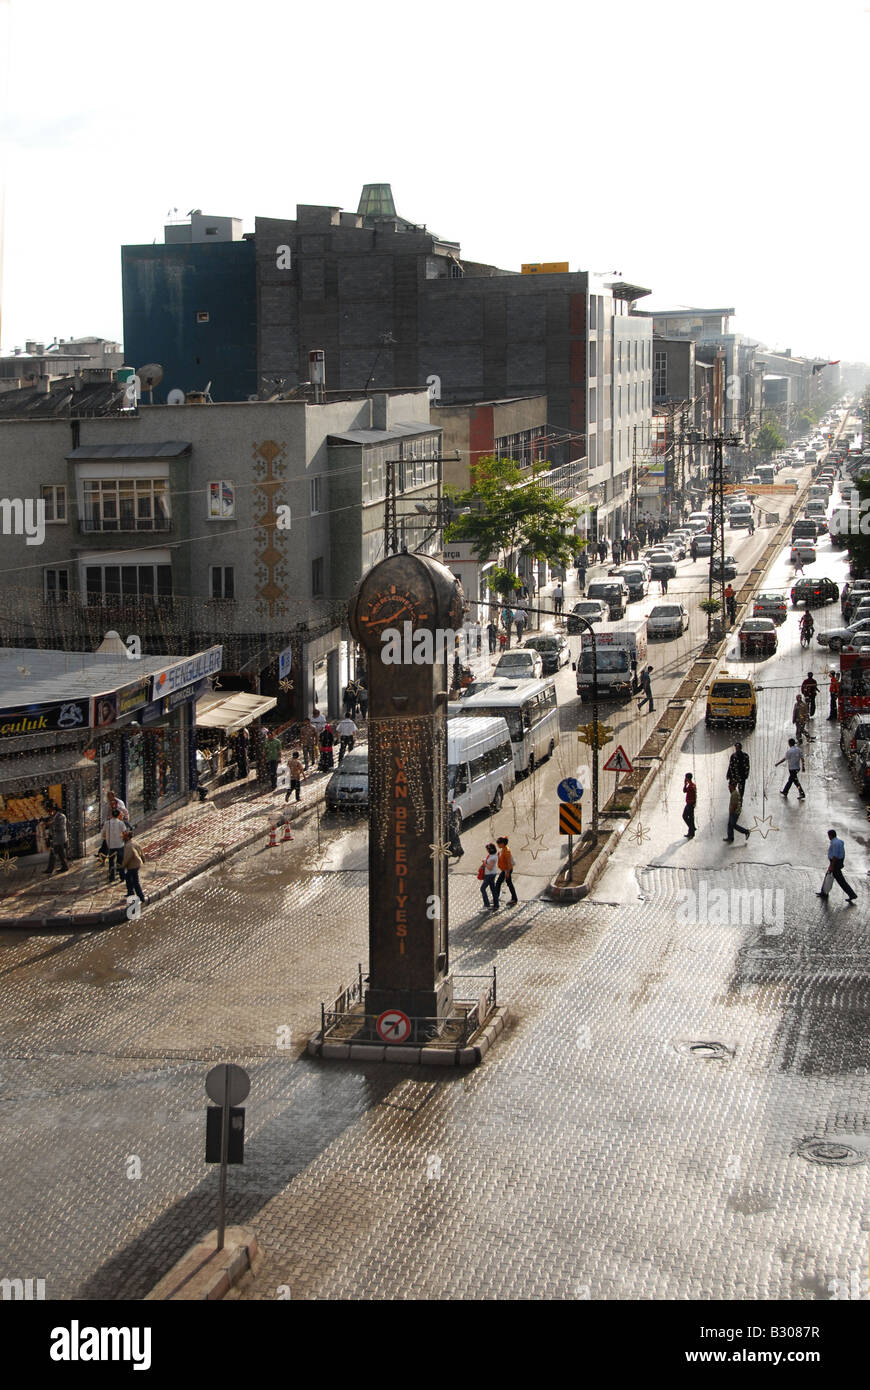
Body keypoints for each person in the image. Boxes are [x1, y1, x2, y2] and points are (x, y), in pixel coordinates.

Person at [817, 828, 857, 903]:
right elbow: (842, 853)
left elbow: (835, 856)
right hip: (837, 862)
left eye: (828, 835)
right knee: (827, 876)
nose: (828, 837)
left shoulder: (835, 843)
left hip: (835, 863)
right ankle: (824, 892)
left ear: (831, 836)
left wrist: (832, 865)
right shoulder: (839, 841)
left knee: (841, 881)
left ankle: (852, 894)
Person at [121, 829, 146, 907]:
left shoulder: (128, 846)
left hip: (132, 865)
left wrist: (123, 866)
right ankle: (130, 892)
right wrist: (143, 860)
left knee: (135, 881)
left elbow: (127, 857)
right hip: (137, 864)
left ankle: (141, 897)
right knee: (128, 878)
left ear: (127, 837)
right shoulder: (134, 842)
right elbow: (141, 852)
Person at [102, 806, 127, 882]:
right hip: (119, 845)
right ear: (118, 815)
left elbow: (103, 833)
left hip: (111, 845)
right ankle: (122, 876)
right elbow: (124, 833)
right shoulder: (121, 823)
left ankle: (111, 877)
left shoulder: (107, 823)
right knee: (120, 861)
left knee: (111, 861)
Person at [44, 803, 69, 874]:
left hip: (59, 838)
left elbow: (61, 828)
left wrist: (52, 824)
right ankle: (64, 866)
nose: (50, 813)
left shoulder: (61, 817)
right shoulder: (53, 817)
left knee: (53, 853)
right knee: (61, 854)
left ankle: (50, 869)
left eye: (51, 811)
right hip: (55, 839)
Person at [494, 836, 518, 908]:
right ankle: (513, 898)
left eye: (499, 844)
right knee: (507, 883)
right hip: (505, 870)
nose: (498, 845)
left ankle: (513, 898)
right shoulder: (503, 849)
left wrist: (507, 872)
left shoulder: (506, 851)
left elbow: (508, 862)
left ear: (502, 844)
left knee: (499, 883)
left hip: (506, 870)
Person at [480, 843, 499, 911]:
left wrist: (485, 863)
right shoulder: (492, 855)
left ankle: (487, 904)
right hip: (490, 874)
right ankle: (496, 904)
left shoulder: (493, 857)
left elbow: (490, 867)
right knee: (493, 889)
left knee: (482, 888)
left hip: (490, 875)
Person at [682, 772, 697, 839]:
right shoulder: (693, 785)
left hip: (689, 804)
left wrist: (685, 785)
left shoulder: (690, 786)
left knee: (685, 816)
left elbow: (684, 791)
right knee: (691, 818)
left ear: (687, 778)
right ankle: (691, 831)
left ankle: (692, 828)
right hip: (691, 804)